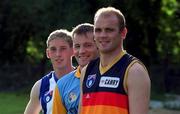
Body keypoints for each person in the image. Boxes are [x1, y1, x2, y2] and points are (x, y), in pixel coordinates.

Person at [79, 7, 151, 114]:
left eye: (109, 30)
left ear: (123, 33)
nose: (103, 35)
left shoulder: (134, 71)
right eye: (98, 30)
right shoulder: (86, 71)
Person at [52, 23, 99, 114]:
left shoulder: (113, 77)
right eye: (77, 46)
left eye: (88, 45)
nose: (81, 51)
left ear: (99, 46)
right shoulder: (62, 84)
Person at [24, 29, 74, 114]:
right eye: (53, 49)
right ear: (48, 53)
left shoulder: (82, 77)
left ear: (72, 51)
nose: (58, 54)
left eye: (63, 48)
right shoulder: (41, 86)